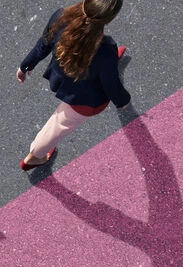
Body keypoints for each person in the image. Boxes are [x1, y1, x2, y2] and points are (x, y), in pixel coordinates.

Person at [17, 0, 131, 171]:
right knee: (58, 126)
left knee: (59, 123)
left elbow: (43, 44)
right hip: (86, 99)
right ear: (108, 20)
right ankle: (34, 156)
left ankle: (36, 155)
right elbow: (111, 85)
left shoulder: (60, 16)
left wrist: (25, 66)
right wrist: (122, 102)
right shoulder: (105, 51)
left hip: (63, 79)